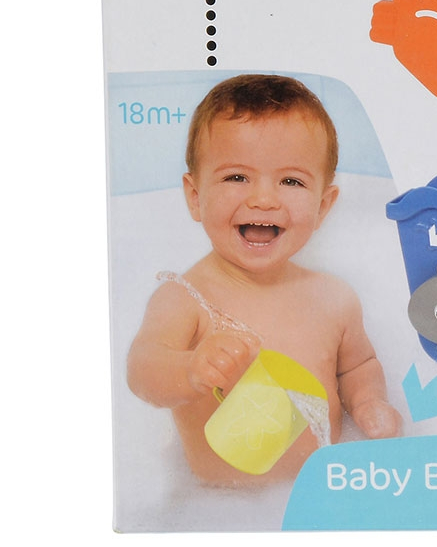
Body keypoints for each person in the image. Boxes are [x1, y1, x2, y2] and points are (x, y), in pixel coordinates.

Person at [128, 74, 402, 486]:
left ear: (323, 205)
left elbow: (358, 367)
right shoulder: (185, 298)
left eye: (291, 181)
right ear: (195, 196)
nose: (263, 199)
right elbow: (142, 371)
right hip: (222, 507)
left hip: (324, 491)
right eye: (236, 177)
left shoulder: (334, 298)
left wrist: (368, 403)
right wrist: (190, 370)